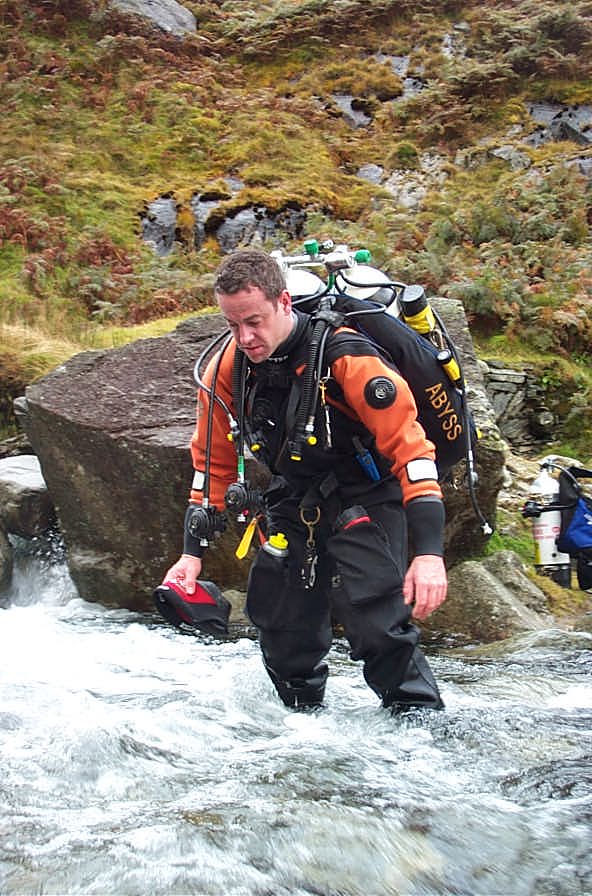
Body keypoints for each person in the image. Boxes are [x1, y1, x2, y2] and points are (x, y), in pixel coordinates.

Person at [164, 248, 448, 712]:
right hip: (292, 498)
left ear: (284, 303)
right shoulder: (229, 368)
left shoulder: (347, 357)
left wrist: (430, 554)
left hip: (368, 494)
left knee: (378, 626)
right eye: (233, 325)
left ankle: (418, 727)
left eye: (254, 321)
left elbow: (413, 453)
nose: (245, 337)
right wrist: (190, 556)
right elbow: (210, 462)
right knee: (282, 625)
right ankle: (301, 724)